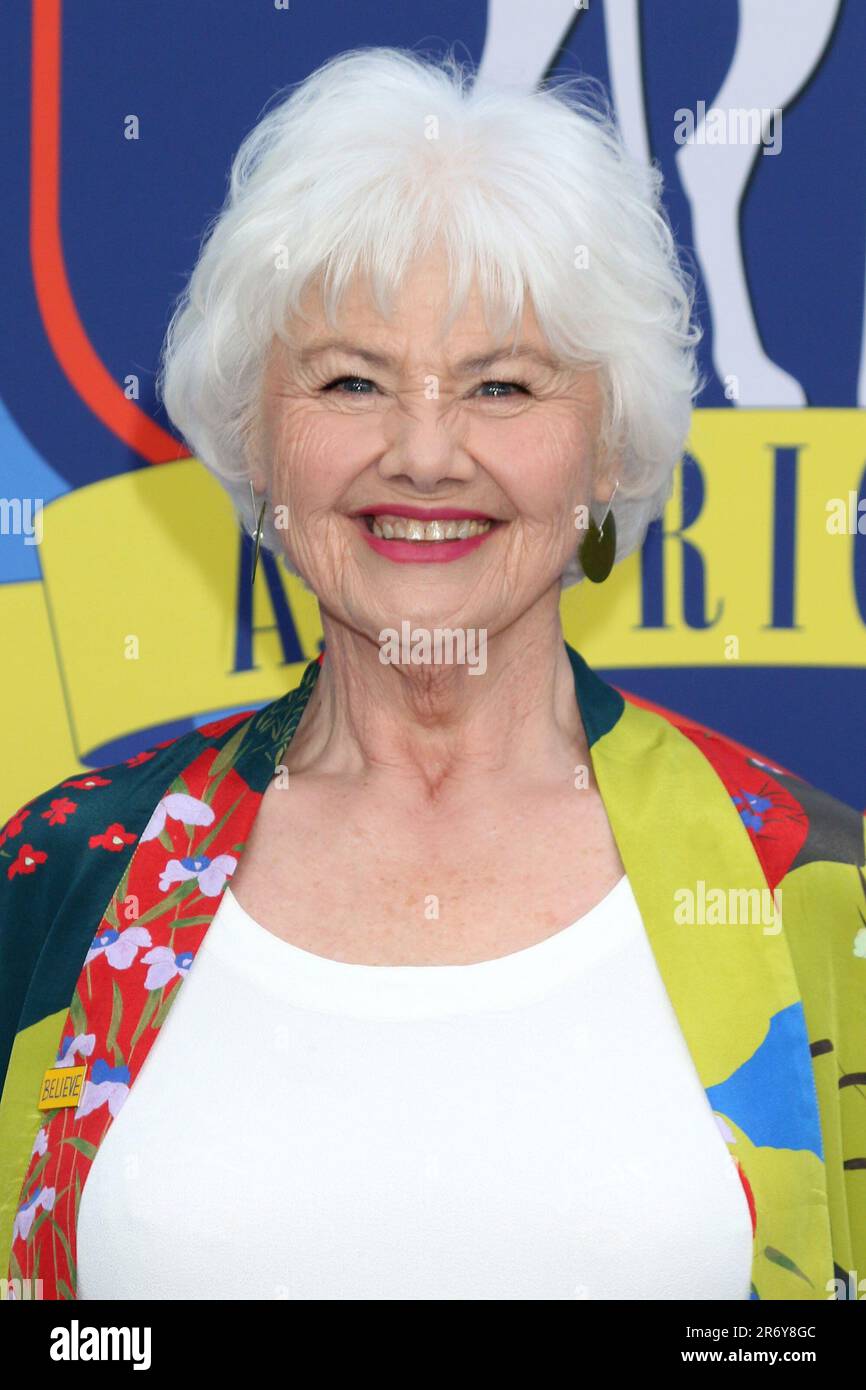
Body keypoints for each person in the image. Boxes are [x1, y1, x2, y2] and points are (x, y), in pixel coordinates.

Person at [1, 47, 863, 1303]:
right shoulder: (58, 882)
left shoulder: (813, 890)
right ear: (255, 435)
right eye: (349, 381)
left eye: (500, 386)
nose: (421, 451)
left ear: (607, 448)